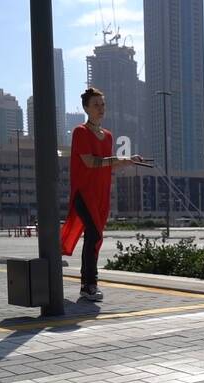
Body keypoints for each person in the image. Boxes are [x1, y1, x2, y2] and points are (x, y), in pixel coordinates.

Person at [61, 88, 143, 302]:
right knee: (94, 235)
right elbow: (90, 162)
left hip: (101, 194)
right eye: (96, 105)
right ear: (86, 108)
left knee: (95, 237)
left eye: (103, 104)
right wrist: (119, 159)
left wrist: (126, 161)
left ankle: (88, 285)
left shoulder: (108, 136)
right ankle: (89, 285)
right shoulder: (80, 132)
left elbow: (107, 165)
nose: (101, 108)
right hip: (84, 193)